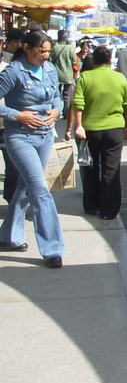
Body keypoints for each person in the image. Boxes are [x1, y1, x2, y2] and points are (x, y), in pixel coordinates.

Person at [0, 30, 65, 268]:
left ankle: (9, 236)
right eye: (40, 51)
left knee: (26, 188)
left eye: (48, 51)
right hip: (20, 137)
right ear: (27, 48)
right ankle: (52, 248)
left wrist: (57, 111)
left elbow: (57, 97)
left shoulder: (50, 69)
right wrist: (17, 115)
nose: (45, 56)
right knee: (40, 190)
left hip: (45, 135)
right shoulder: (13, 71)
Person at [73, 46, 127, 219]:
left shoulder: (85, 77)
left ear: (94, 60)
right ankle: (109, 210)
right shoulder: (119, 78)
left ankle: (91, 205)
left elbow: (77, 104)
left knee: (90, 168)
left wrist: (78, 126)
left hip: (90, 130)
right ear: (109, 60)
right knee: (111, 170)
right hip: (114, 130)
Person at [0, 28, 24, 202]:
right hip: (10, 120)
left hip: (8, 125)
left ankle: (12, 201)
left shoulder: (13, 67)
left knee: (13, 167)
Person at [51, 29, 78, 119]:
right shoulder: (70, 48)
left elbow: (50, 61)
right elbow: (74, 62)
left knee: (56, 94)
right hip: (68, 76)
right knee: (67, 95)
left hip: (56, 75)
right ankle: (66, 112)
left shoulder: (54, 48)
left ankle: (56, 111)